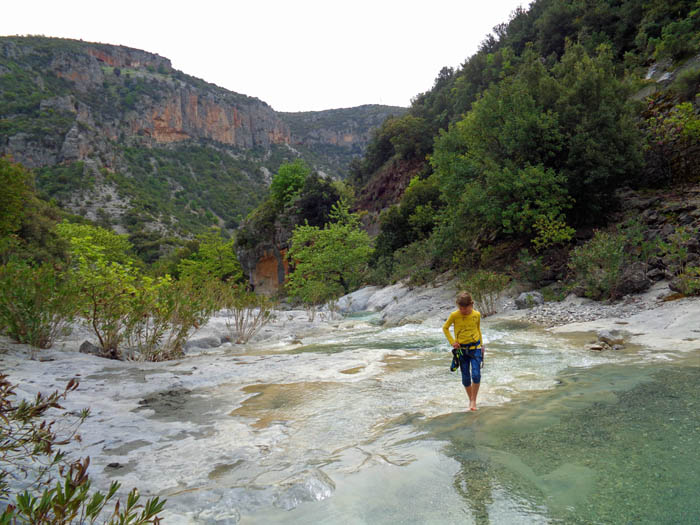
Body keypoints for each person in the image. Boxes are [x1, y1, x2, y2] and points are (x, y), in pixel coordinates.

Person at [442, 292, 485, 411]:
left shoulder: (477, 314)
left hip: (475, 348)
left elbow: (478, 329)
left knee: (476, 375)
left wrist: (481, 345)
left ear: (471, 304)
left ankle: (473, 400)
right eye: (460, 308)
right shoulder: (454, 315)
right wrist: (452, 342)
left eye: (465, 308)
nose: (463, 310)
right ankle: (470, 399)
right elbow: (445, 328)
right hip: (461, 350)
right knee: (466, 378)